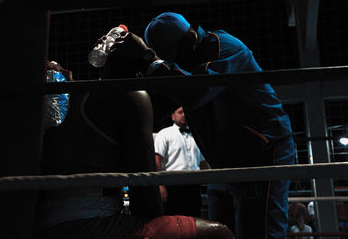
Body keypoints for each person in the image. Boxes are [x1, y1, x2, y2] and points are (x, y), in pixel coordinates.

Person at [113, 12, 296, 239]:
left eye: (173, 57)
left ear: (189, 40)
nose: (173, 64)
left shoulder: (224, 46)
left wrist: (150, 59)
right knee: (230, 229)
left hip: (264, 148)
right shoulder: (187, 66)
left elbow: (195, 92)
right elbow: (159, 103)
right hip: (229, 158)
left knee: (261, 230)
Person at [35, 40, 234, 239]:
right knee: (219, 233)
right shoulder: (130, 95)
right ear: (140, 69)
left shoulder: (72, 102)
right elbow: (146, 196)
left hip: (45, 219)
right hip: (90, 221)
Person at [155, 106, 209, 217]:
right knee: (173, 221)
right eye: (180, 112)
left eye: (186, 112)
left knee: (194, 221)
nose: (184, 114)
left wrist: (209, 182)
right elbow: (156, 161)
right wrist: (160, 185)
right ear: (173, 116)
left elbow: (203, 163)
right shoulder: (164, 133)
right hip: (172, 185)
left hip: (194, 186)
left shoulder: (196, 136)